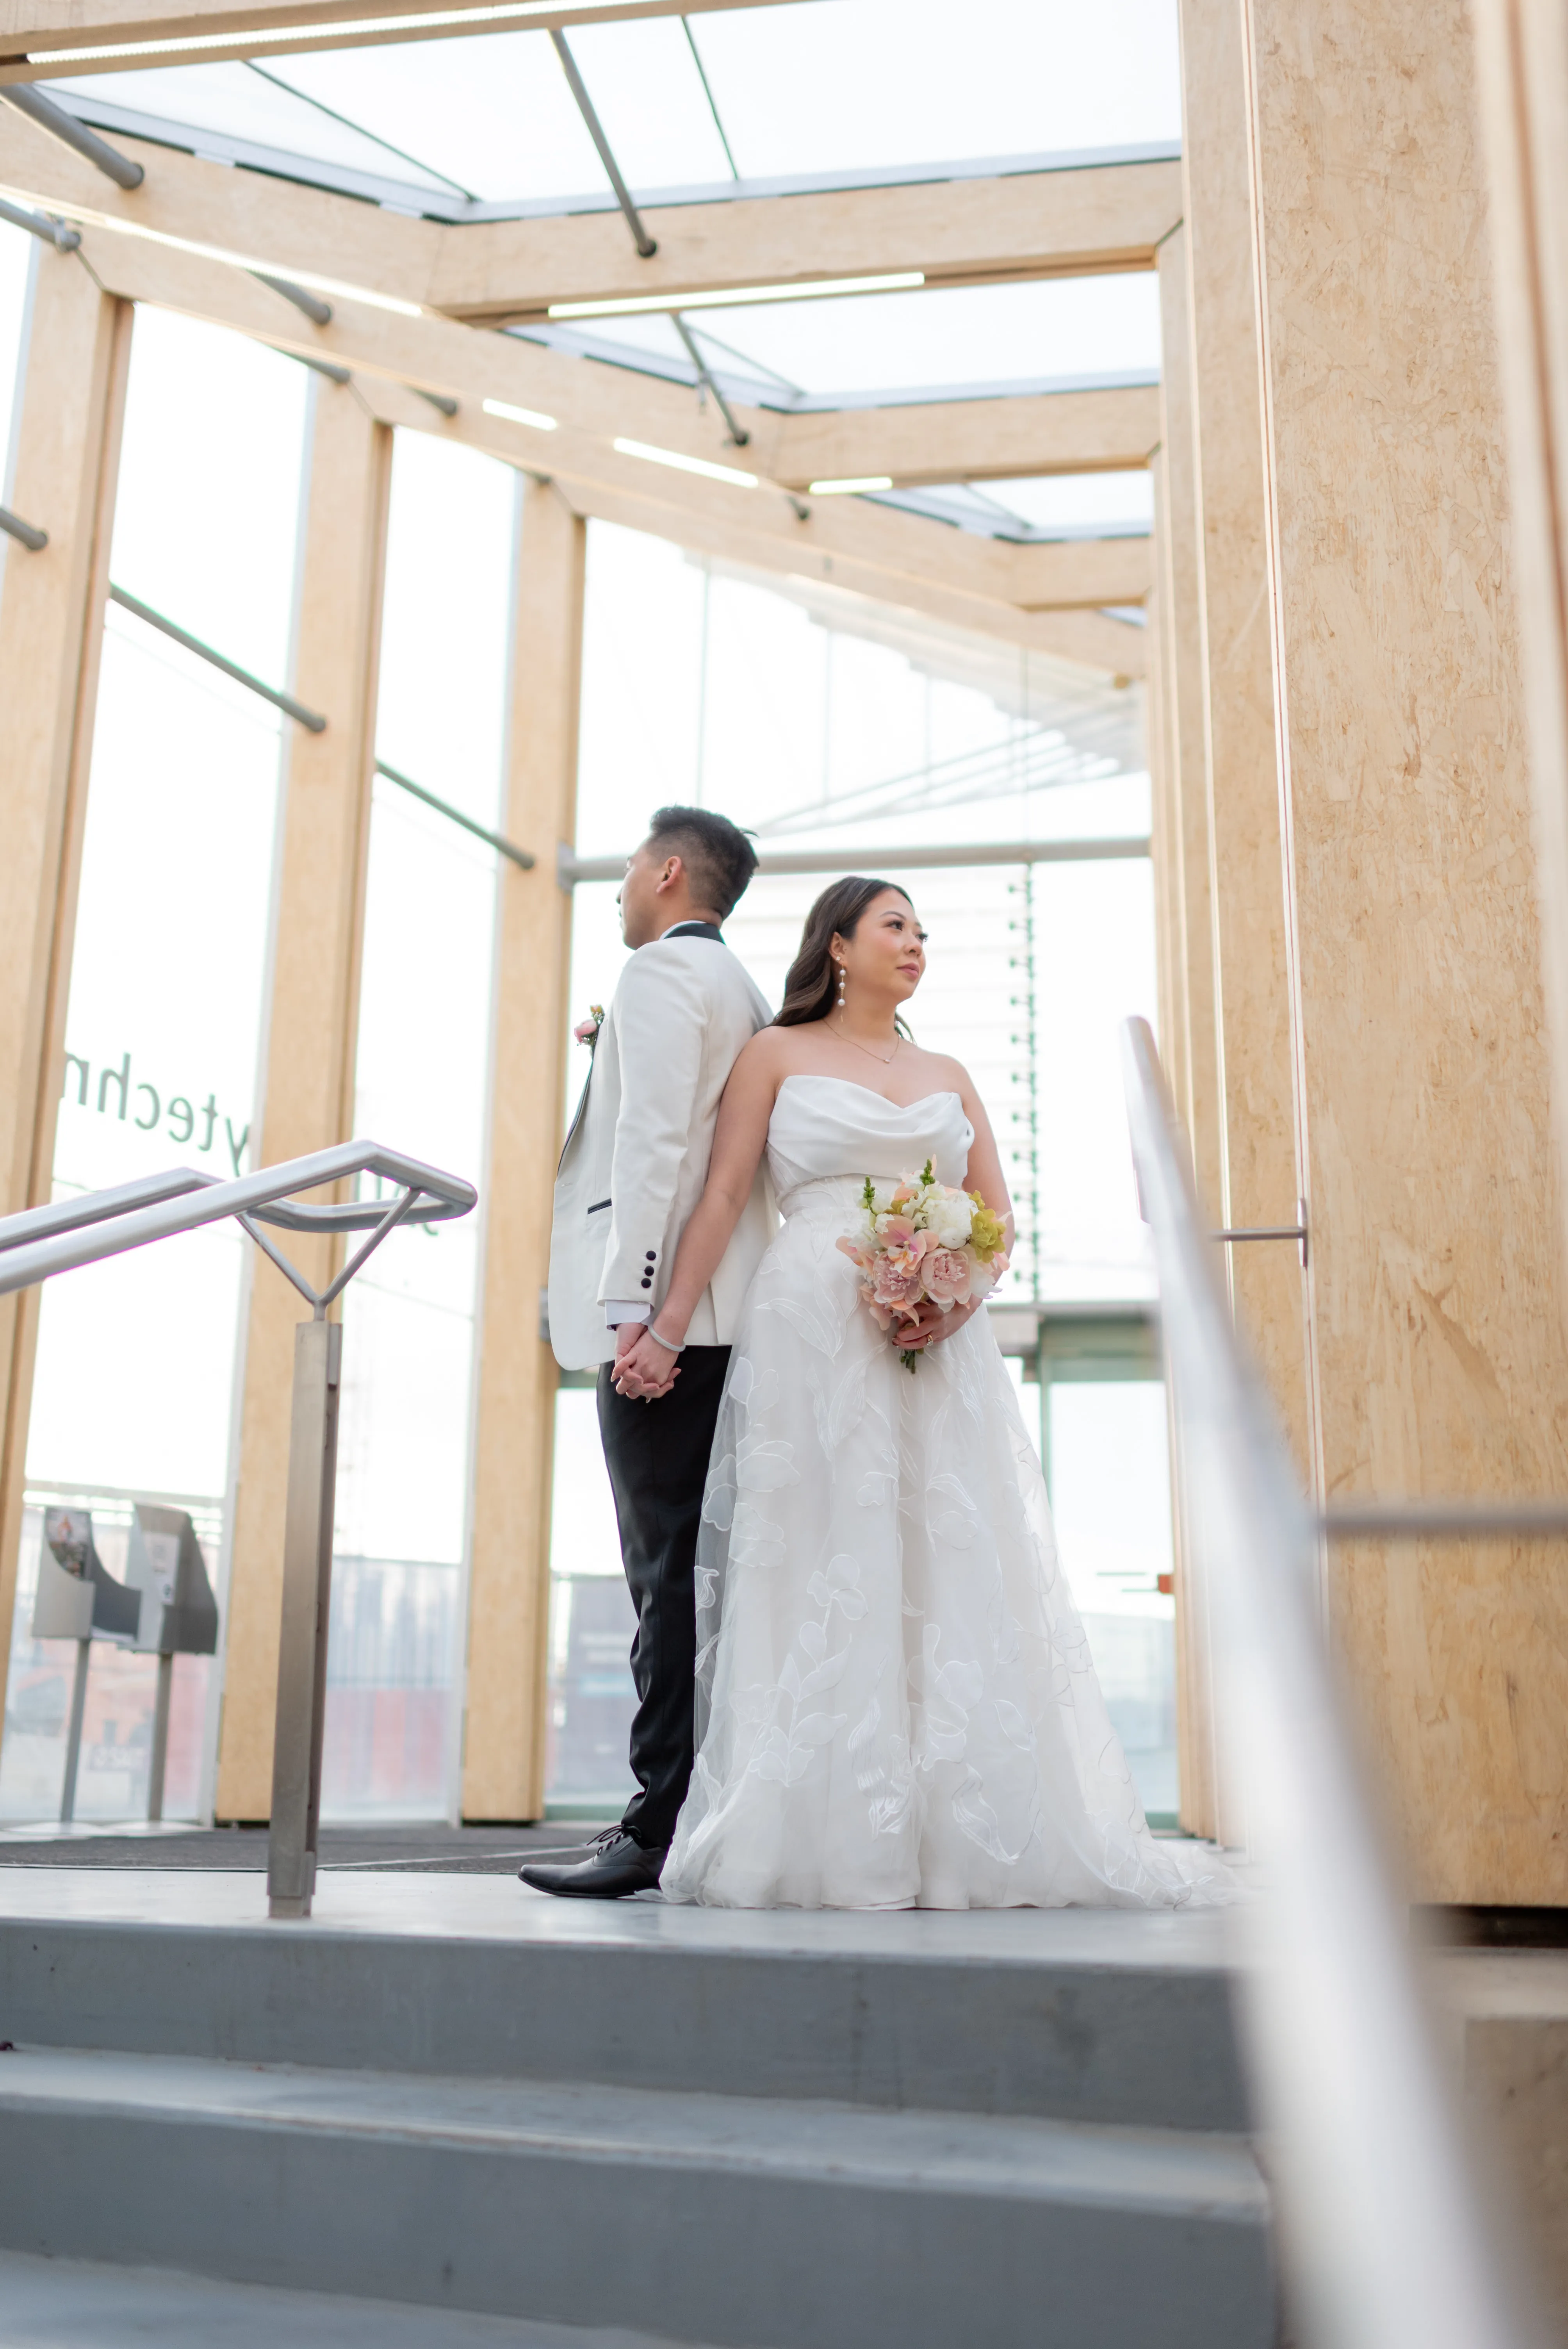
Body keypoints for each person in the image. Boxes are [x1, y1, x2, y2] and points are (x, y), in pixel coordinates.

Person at [614, 877, 1233, 1911]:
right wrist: (665, 1325)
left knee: (947, 1557)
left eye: (924, 931)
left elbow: (996, 1211)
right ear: (840, 945)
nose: (917, 945)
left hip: (936, 1338)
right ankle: (828, 1831)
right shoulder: (775, 1054)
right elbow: (725, 1193)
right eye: (897, 926)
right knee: (821, 1551)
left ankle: (961, 1832)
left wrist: (955, 1292)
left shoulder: (948, 1070)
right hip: (812, 1326)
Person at [522, 807, 775, 1901]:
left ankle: (653, 1827)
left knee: (665, 1578)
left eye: (630, 867)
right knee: (696, 1577)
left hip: (677, 1327)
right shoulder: (740, 991)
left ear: (670, 873)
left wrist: (641, 1318)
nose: (623, 884)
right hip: (719, 1321)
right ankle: (692, 1811)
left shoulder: (666, 981)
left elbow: (656, 1147)